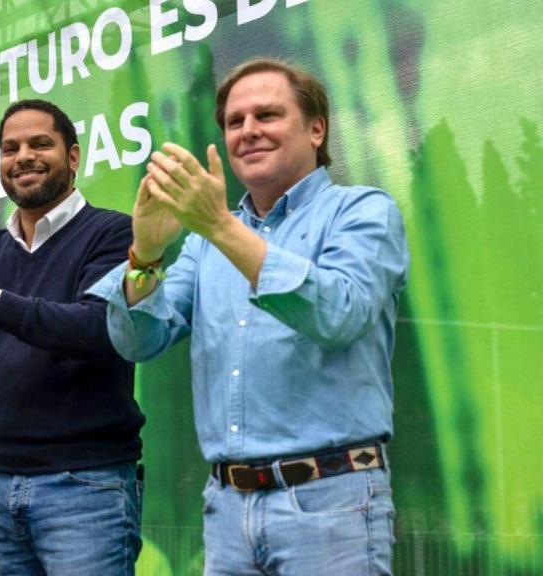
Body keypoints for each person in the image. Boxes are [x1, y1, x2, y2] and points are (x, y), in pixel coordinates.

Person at [89, 58, 409, 575]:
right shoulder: (204, 243)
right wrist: (145, 253)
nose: (248, 131)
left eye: (267, 115)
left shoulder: (363, 211)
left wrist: (218, 225)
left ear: (316, 127)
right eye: (234, 122)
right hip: (227, 510)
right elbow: (138, 341)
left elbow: (340, 314)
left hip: (330, 504)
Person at [0, 99, 145, 575]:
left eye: (41, 144)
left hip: (87, 486)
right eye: (10, 148)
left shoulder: (113, 233)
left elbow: (99, 328)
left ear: (73, 157)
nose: (24, 157)